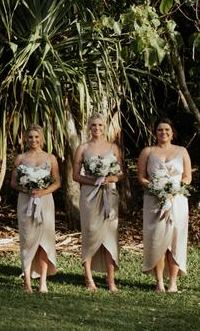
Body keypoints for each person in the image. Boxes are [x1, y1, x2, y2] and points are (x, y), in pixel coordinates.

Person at [137, 118, 192, 292]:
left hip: (177, 200)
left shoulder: (182, 151)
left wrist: (174, 189)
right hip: (154, 200)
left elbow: (187, 177)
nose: (163, 133)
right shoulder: (148, 151)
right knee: (157, 239)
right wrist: (155, 187)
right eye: (160, 130)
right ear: (155, 133)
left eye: (167, 130)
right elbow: (141, 177)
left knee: (176, 239)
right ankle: (159, 281)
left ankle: (173, 282)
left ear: (172, 132)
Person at [73, 113, 123, 292]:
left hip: (109, 193)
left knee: (110, 235)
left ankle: (111, 280)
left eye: (100, 125)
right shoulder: (82, 148)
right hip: (89, 195)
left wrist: (109, 179)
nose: (97, 129)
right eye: (94, 125)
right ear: (89, 127)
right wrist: (94, 181)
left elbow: (121, 173)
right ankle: (88, 279)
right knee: (90, 232)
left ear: (105, 127)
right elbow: (75, 175)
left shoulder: (113, 147)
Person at [10, 124, 61, 293]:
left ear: (42, 138)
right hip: (26, 202)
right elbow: (13, 182)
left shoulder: (50, 158)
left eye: (36, 137)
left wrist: (43, 191)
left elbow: (57, 181)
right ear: (26, 139)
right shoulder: (20, 158)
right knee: (27, 239)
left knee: (44, 241)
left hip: (45, 202)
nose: (33, 140)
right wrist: (27, 189)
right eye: (30, 137)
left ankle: (43, 282)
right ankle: (27, 282)